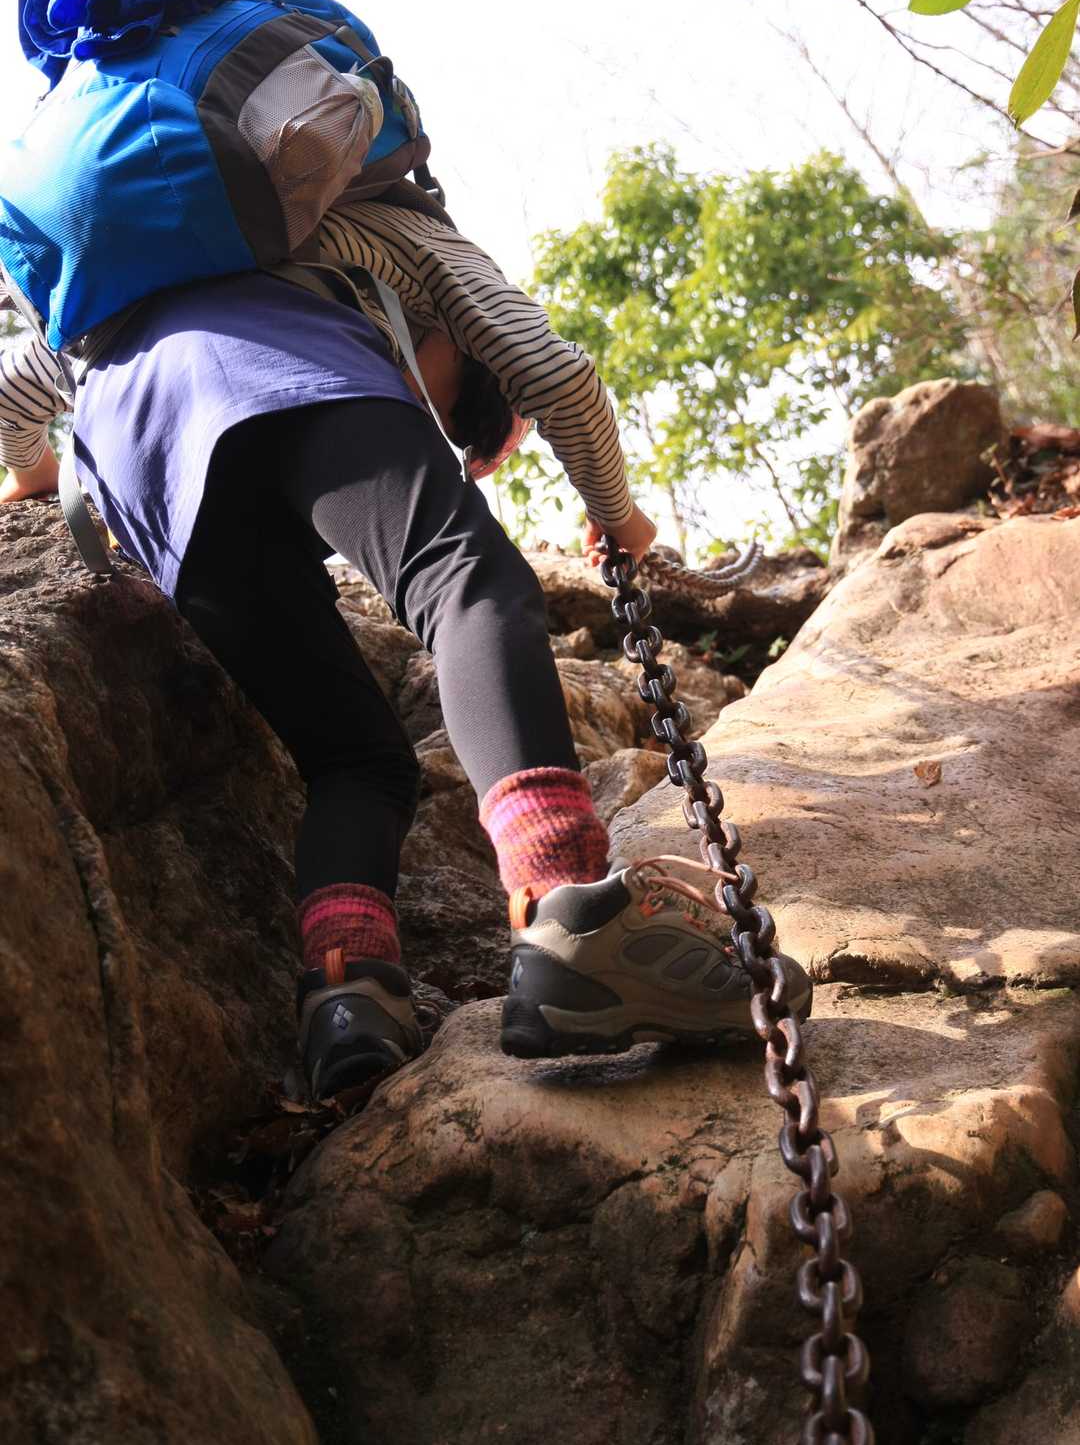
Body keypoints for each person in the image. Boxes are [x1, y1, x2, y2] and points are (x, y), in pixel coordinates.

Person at [0, 187, 810, 1097]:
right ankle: (568, 913)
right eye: (464, 416)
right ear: (455, 346)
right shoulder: (391, 227)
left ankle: (347, 993)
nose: (441, 429)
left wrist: (33, 470)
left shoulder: (129, 267)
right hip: (293, 371)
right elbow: (558, 374)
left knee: (357, 760)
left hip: (142, 462)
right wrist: (619, 517)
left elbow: (12, 391)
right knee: (471, 584)